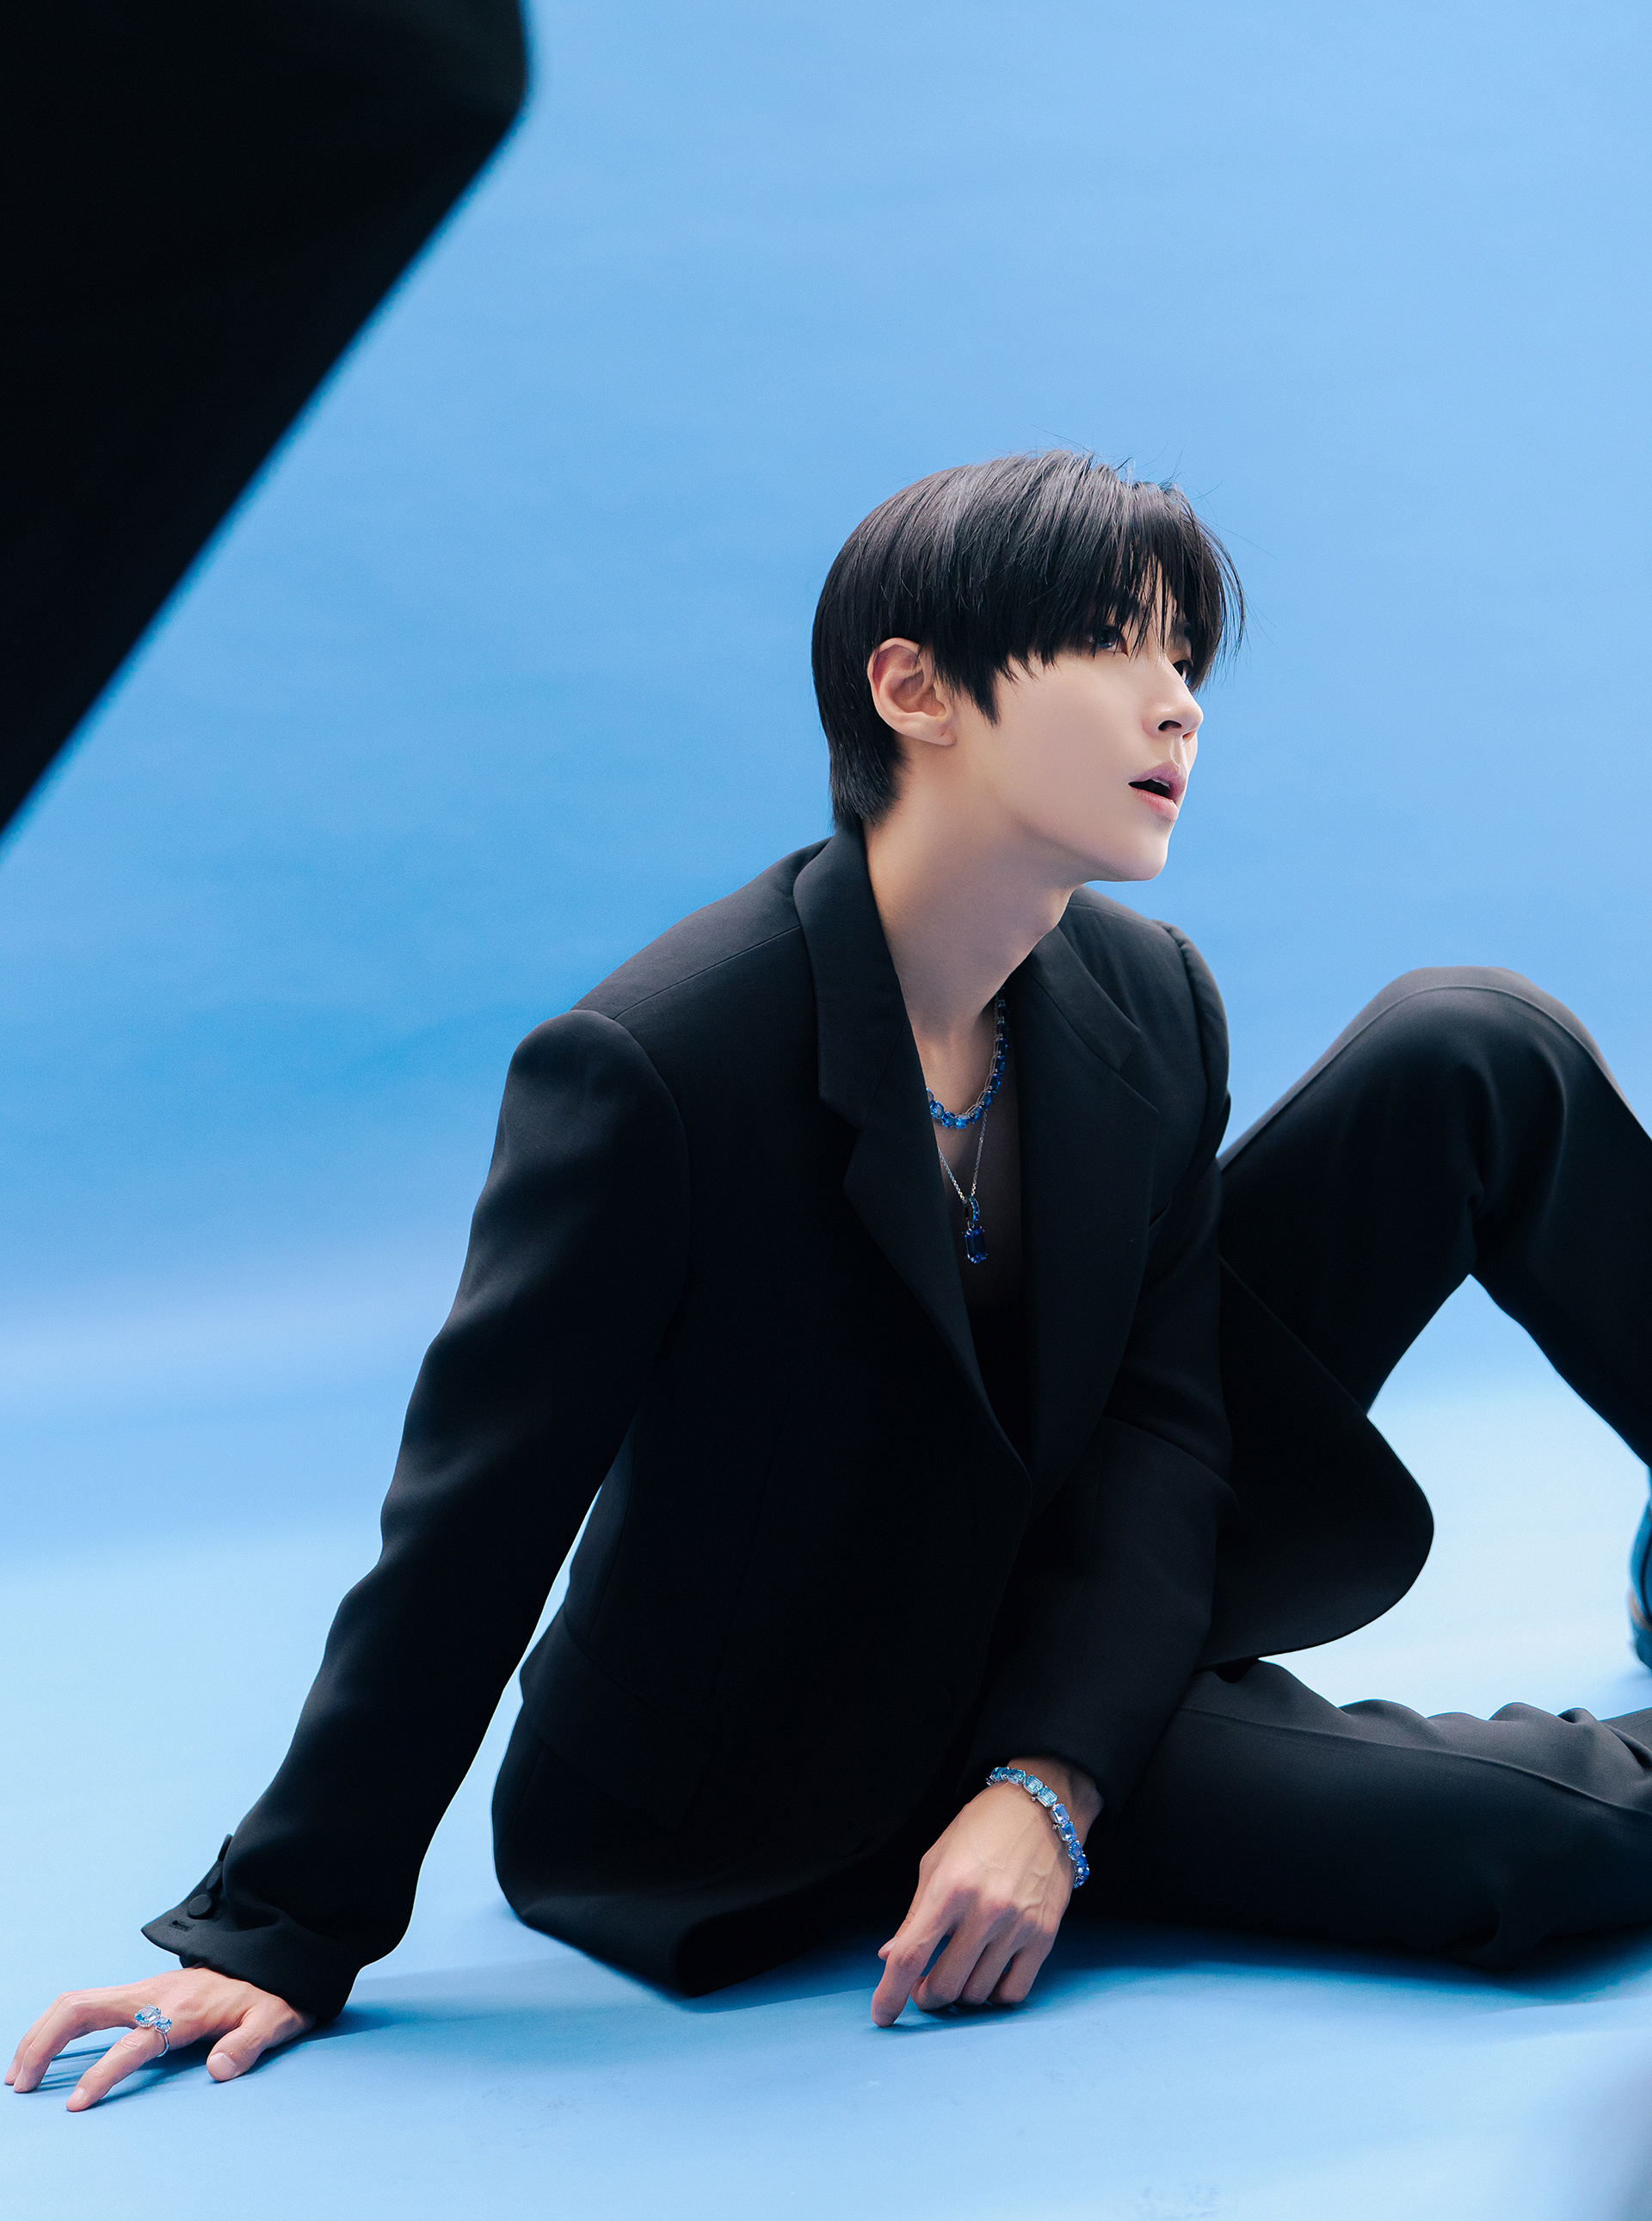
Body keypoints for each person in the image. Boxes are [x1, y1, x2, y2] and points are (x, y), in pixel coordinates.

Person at [11, 449, 1652, 2117]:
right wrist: (282, 1925)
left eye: (1187, 657)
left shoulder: (1152, 1000)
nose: (1180, 705)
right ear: (914, 690)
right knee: (1542, 1843)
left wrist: (1052, 1779)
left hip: (1095, 1591)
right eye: (1116, 645)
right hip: (812, 1749)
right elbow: (474, 1515)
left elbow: (1165, 1425)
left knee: (1474, 1044)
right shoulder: (659, 1067)